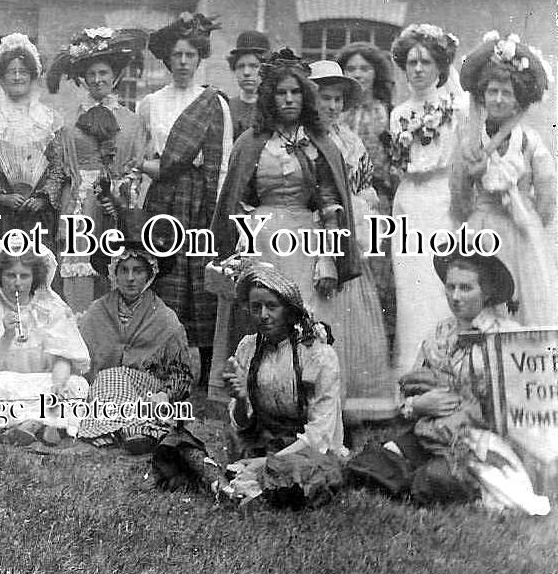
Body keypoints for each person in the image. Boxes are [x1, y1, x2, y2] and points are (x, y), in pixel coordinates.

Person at [347, 253, 550, 514]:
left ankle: (433, 478)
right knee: (363, 466)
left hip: (481, 442)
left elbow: (524, 409)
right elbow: (408, 388)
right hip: (431, 433)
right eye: (451, 286)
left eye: (466, 288)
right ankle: (417, 473)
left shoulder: (506, 337)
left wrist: (469, 413)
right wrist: (418, 404)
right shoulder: (440, 333)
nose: (455, 296)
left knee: (431, 481)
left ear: (486, 292)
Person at [210, 49, 359, 401]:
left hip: (305, 243)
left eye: (295, 92)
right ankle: (258, 398)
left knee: (306, 319)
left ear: (305, 95)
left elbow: (329, 202)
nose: (289, 99)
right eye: (281, 93)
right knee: (261, 316)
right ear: (270, 98)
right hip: (260, 241)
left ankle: (305, 396)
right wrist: (241, 252)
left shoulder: (320, 143)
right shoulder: (250, 143)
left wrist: (327, 259)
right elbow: (238, 200)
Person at [137, 12, 233, 383]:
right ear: (167, 59)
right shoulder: (151, 103)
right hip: (163, 199)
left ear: (199, 58)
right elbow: (140, 154)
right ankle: (161, 368)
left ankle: (208, 373)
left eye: (190, 55)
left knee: (201, 280)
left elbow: (221, 162)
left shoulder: (213, 102)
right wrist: (154, 171)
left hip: (200, 199)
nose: (182, 62)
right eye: (176, 55)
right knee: (163, 276)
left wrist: (217, 213)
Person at [451, 31, 557, 327]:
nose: (498, 99)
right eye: (493, 91)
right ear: (483, 95)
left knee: (521, 304)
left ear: (517, 100)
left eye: (506, 93)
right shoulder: (469, 141)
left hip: (519, 232)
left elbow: (548, 203)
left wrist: (522, 214)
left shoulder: (530, 143)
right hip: (479, 231)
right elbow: (458, 196)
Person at [310, 60, 395, 423]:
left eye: (338, 100)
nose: (331, 107)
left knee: (348, 312)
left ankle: (348, 398)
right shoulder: (302, 140)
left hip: (345, 232)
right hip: (308, 231)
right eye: (324, 98)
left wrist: (361, 208)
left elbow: (364, 187)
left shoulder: (350, 139)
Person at [46, 26, 151, 311]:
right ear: (83, 79)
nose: (97, 79)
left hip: (116, 202)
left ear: (115, 76)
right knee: (80, 269)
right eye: (91, 74)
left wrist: (120, 193)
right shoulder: (68, 124)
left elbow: (137, 166)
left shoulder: (131, 121)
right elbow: (62, 166)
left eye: (103, 73)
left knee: (115, 267)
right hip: (80, 204)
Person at [386, 24, 465, 374]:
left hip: (442, 200)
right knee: (411, 288)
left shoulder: (455, 107)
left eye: (426, 62)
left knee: (439, 283)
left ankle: (447, 369)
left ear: (440, 66)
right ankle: (411, 370)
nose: (417, 69)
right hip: (408, 203)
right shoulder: (398, 113)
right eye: (411, 62)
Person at [77, 240, 195, 454]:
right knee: (108, 377)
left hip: (147, 389)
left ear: (150, 274)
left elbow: (182, 374)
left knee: (116, 377)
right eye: (124, 270)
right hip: (102, 391)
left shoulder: (164, 317)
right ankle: (135, 429)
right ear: (114, 273)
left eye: (138, 271)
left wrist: (165, 396)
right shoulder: (96, 311)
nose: (130, 278)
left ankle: (117, 429)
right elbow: (79, 361)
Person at [0, 245, 91, 441]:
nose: (17, 283)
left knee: (76, 384)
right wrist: (6, 336)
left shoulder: (50, 308)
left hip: (42, 383)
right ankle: (42, 423)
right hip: (3, 385)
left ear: (35, 278)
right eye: (10, 275)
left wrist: (58, 383)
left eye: (24, 276)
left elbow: (64, 357)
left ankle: (27, 423)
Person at [223, 263, 345, 460]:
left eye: (272, 306)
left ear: (288, 310)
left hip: (306, 451)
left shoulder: (317, 354)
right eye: (256, 307)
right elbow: (242, 426)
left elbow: (319, 434)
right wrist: (240, 399)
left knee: (291, 480)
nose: (263, 315)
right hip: (263, 444)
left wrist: (266, 464)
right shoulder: (248, 348)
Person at [0, 33, 71, 251]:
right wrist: (1, 197)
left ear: (32, 76)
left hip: (38, 215)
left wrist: (43, 199)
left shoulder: (49, 119)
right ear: (1, 77)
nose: (17, 77)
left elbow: (58, 167)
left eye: (23, 72)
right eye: (11, 72)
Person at [336, 41, 397, 332]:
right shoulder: (336, 113)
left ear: (376, 73)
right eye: (351, 68)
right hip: (341, 201)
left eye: (365, 68)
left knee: (378, 272)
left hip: (377, 200)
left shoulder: (388, 112)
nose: (358, 74)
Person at [226, 30, 270, 139]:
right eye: (241, 66)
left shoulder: (274, 107)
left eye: (254, 66)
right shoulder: (227, 108)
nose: (246, 73)